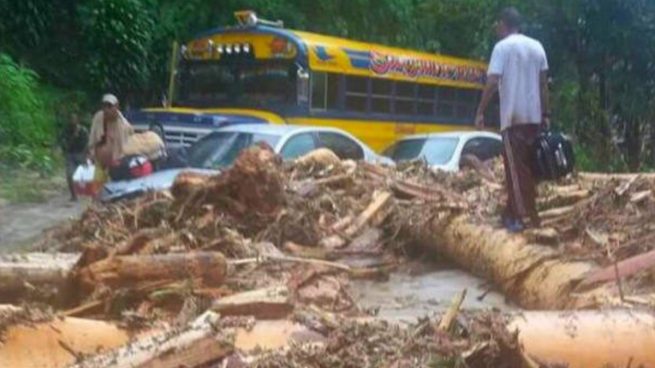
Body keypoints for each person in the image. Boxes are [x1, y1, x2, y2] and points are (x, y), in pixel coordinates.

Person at [474, 7, 550, 232]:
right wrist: (546, 114)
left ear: (504, 24)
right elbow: (544, 84)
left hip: (513, 118)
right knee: (528, 169)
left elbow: (492, 82)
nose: (496, 28)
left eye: (498, 25)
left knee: (515, 171)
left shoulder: (502, 48)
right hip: (534, 118)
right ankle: (513, 211)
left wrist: (480, 110)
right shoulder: (537, 47)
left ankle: (523, 218)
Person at [87, 94, 134, 182]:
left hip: (116, 165)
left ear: (117, 107)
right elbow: (93, 136)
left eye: (109, 106)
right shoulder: (98, 118)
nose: (106, 109)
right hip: (99, 163)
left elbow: (128, 145)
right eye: (104, 106)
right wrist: (91, 153)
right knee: (97, 189)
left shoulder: (124, 125)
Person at [60, 112, 88, 201]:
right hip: (70, 154)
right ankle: (74, 195)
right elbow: (61, 141)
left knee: (83, 177)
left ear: (77, 120)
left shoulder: (83, 130)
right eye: (71, 119)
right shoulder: (66, 130)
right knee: (69, 175)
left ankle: (85, 193)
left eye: (74, 119)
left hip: (80, 154)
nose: (72, 121)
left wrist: (86, 155)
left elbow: (87, 143)